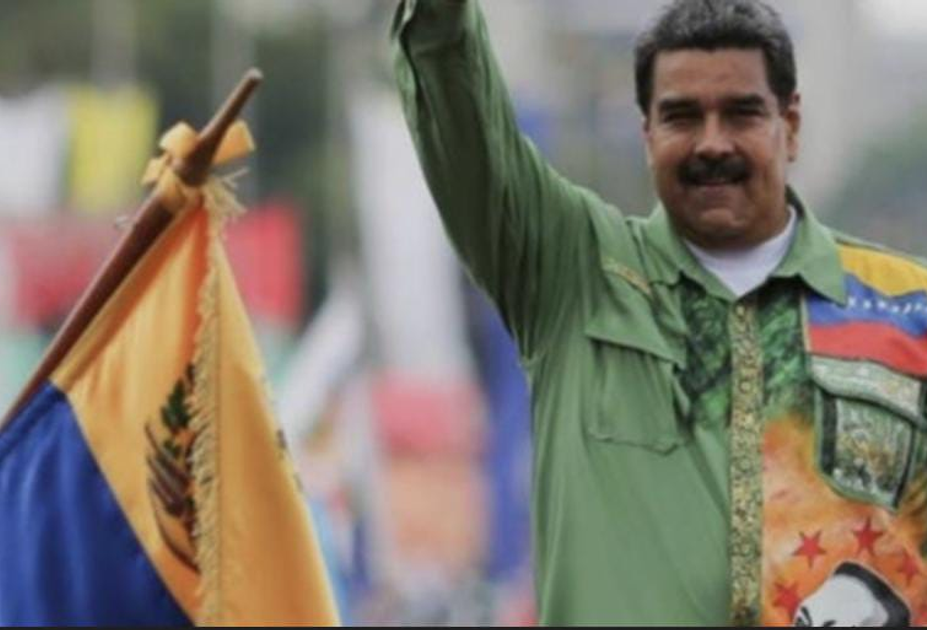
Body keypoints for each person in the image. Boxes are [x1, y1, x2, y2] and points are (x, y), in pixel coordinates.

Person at [393, 0, 927, 625]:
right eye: (681, 116)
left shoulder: (908, 308)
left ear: (791, 123)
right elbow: (455, 100)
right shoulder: (571, 273)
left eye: (742, 113)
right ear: (647, 132)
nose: (712, 143)